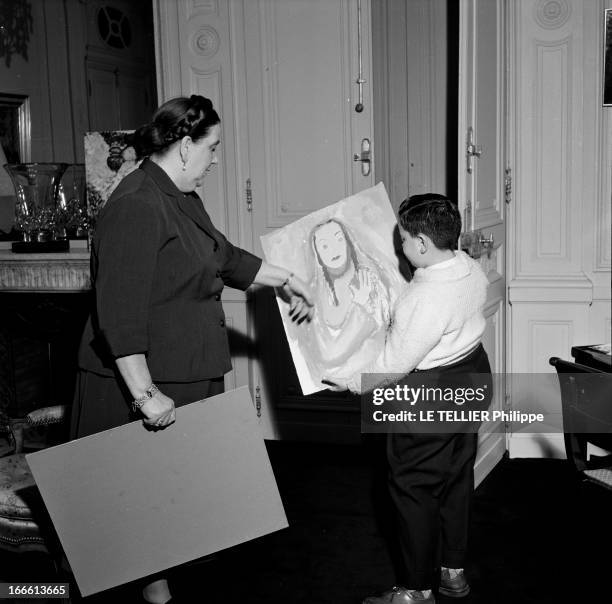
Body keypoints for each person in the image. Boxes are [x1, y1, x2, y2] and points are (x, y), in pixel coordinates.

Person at [72, 94, 314, 604]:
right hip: (149, 375)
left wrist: (285, 278)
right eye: (213, 146)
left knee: (168, 493)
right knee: (130, 502)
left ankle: (157, 578)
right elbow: (118, 313)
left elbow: (222, 255)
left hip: (186, 363)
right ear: (185, 146)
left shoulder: (178, 194)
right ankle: (147, 585)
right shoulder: (137, 205)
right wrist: (144, 395)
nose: (217, 158)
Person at [326, 194, 491, 604]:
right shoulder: (469, 267)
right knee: (455, 477)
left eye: (402, 239)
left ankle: (416, 591)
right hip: (472, 376)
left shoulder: (424, 299)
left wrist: (347, 381)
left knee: (413, 489)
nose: (398, 247)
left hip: (429, 393)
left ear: (421, 244)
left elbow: (392, 365)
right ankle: (452, 571)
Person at [293, 218, 397, 387]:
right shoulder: (313, 293)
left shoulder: (371, 280)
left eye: (339, 239)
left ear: (349, 243)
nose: (334, 249)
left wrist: (361, 305)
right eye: (325, 246)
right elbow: (327, 354)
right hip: (328, 390)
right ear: (317, 255)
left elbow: (379, 344)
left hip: (371, 385)